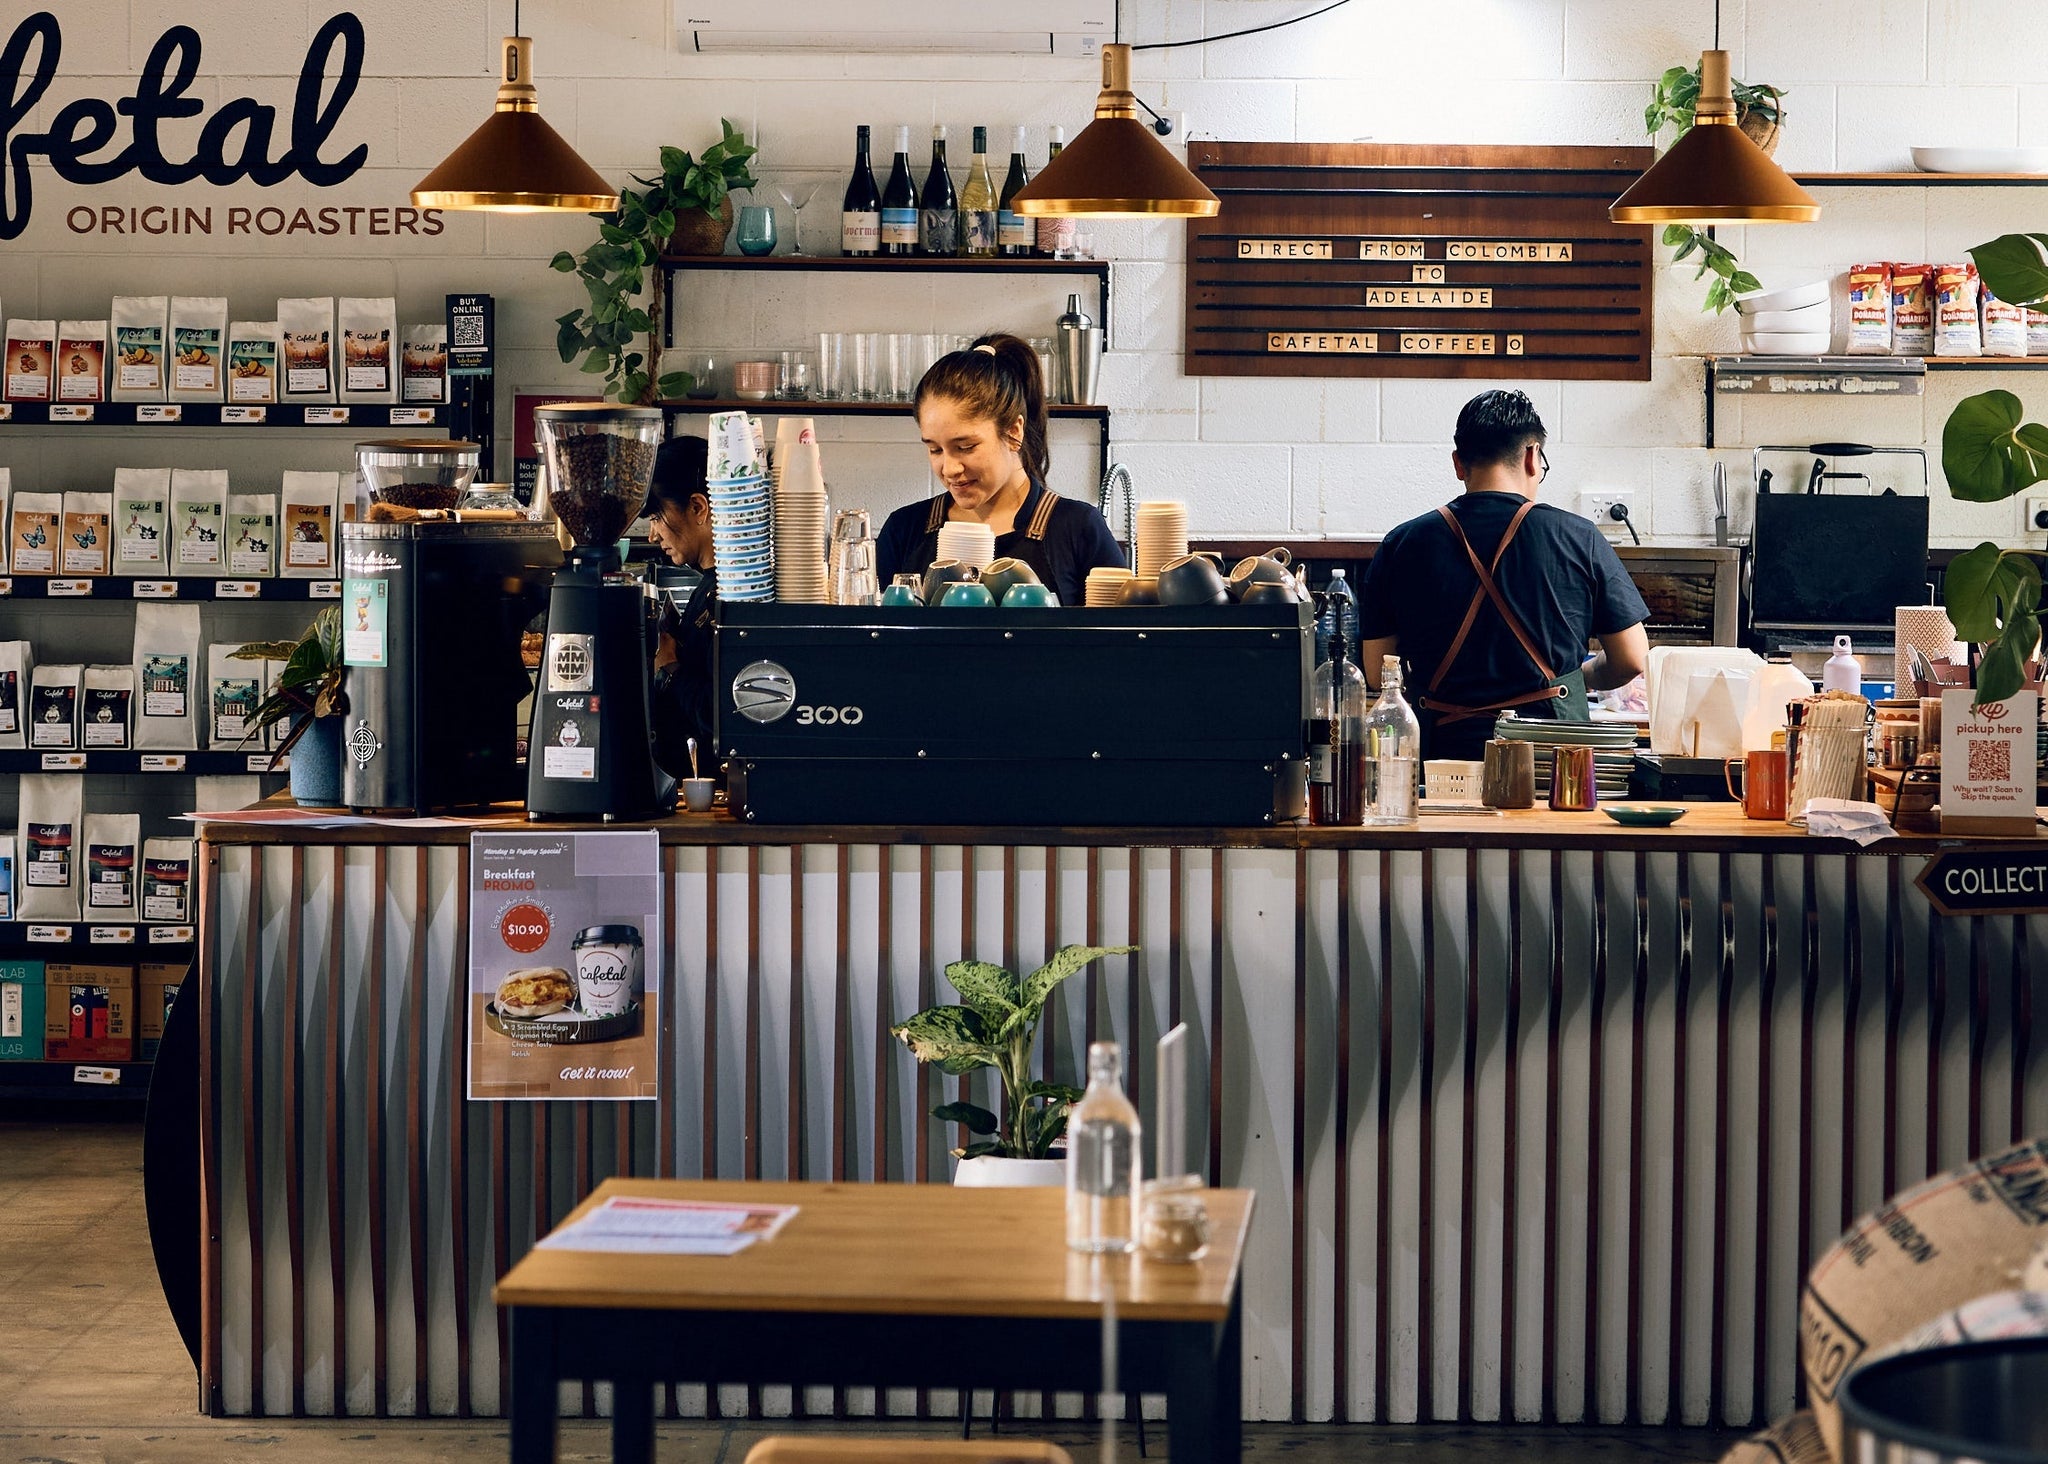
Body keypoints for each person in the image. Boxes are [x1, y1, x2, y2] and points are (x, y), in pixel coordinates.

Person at [1357, 389, 1650, 762]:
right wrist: (1578, 678)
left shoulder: (1402, 543)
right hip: (1553, 765)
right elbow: (1632, 659)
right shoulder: (1579, 537)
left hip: (1441, 763)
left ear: (1458, 464)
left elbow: (1376, 669)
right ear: (1532, 456)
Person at [875, 333, 1125, 607]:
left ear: (1013, 431)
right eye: (935, 449)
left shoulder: (1077, 529)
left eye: (966, 446)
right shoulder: (904, 530)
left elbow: (1121, 644)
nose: (949, 468)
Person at [642, 433, 718, 781]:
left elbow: (721, 715)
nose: (652, 536)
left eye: (657, 517)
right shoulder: (708, 584)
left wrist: (670, 667)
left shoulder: (734, 593)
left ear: (698, 507)